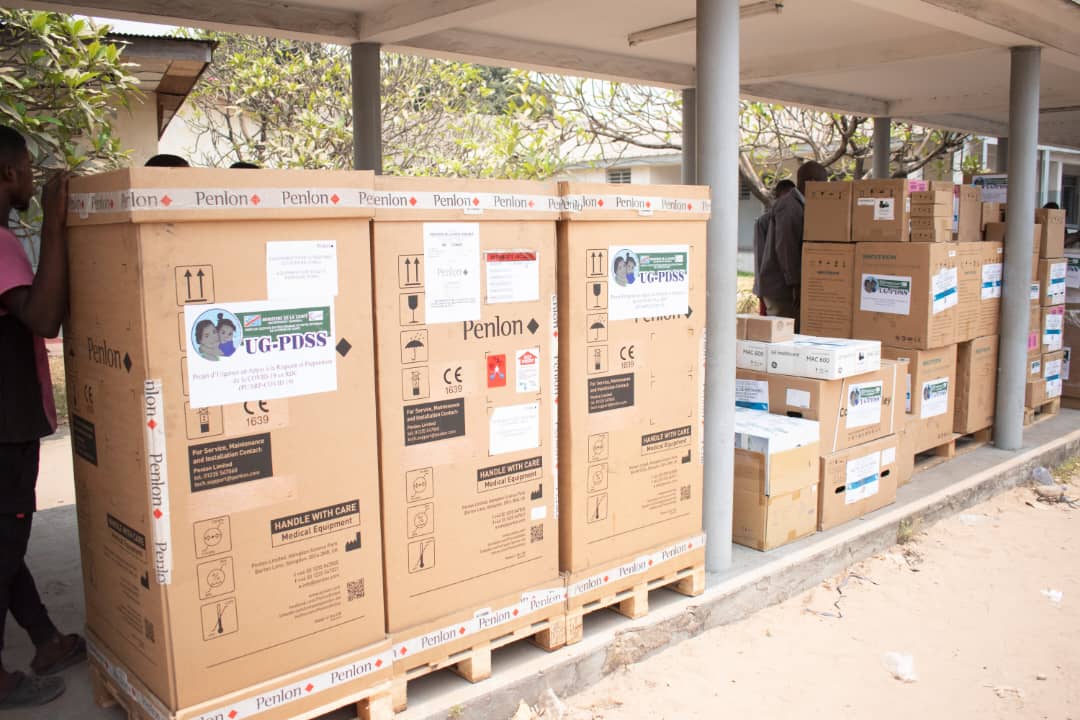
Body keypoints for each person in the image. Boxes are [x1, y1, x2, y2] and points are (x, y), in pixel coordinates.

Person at [0, 125, 86, 709]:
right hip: (5, 427)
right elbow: (44, 317)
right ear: (8, 174)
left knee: (5, 540)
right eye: (29, 167)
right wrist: (55, 223)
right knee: (5, 546)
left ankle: (46, 639)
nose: (34, 177)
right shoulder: (1, 243)